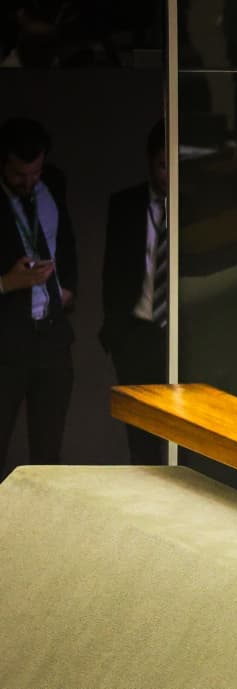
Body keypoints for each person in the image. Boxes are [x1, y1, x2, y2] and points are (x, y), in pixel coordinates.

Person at [0, 117, 78, 479]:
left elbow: (67, 240)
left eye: (36, 172)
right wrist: (6, 283)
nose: (29, 182)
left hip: (51, 336)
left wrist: (68, 289)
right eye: (19, 175)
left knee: (48, 456)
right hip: (5, 343)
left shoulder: (54, 182)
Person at [99, 120, 168, 465]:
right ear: (150, 161)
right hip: (136, 332)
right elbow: (112, 272)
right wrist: (115, 333)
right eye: (161, 165)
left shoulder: (196, 204)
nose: (168, 175)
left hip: (183, 335)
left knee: (183, 434)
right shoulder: (125, 205)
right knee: (140, 437)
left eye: (176, 166)